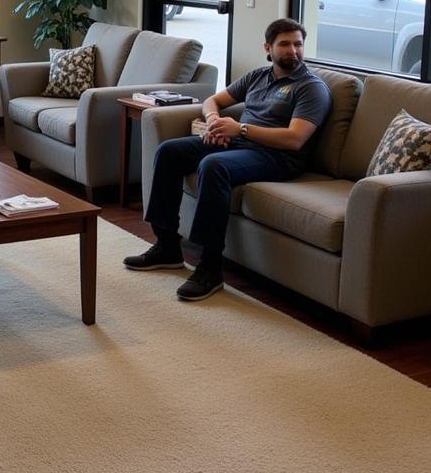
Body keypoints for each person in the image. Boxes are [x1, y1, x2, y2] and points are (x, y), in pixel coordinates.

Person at [125, 18, 332, 302]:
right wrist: (215, 122)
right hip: (241, 144)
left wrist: (241, 129)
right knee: (169, 152)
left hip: (279, 157)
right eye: (285, 44)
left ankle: (210, 268)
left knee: (213, 166)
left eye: (298, 44)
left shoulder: (311, 88)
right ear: (268, 48)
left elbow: (295, 139)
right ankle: (167, 246)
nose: (293, 51)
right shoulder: (258, 76)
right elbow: (213, 101)